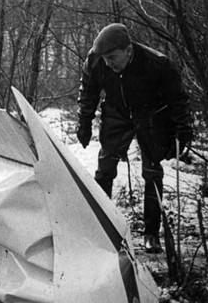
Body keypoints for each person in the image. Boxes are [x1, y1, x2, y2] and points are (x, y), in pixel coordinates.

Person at [75, 23, 194, 253]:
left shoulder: (158, 64)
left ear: (128, 50)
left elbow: (177, 99)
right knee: (105, 167)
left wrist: (182, 130)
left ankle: (151, 233)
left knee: (152, 171)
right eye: (105, 59)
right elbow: (87, 93)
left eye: (112, 57)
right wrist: (84, 123)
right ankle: (101, 226)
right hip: (116, 111)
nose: (108, 63)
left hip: (150, 114)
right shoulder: (95, 60)